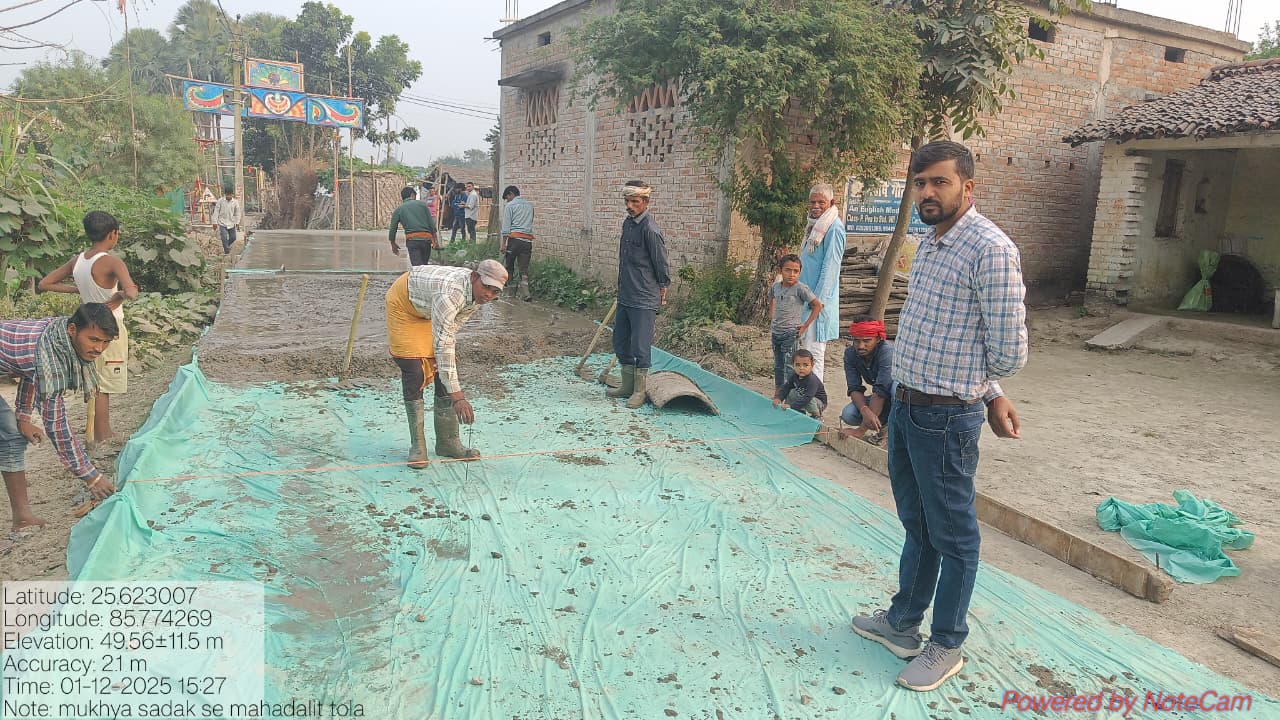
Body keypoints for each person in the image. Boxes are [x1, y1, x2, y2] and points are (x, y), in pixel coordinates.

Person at [851, 141, 1027, 692]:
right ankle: (902, 622)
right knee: (917, 523)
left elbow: (1009, 351)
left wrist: (980, 389)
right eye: (920, 182)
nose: (928, 192)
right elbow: (954, 331)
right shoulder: (928, 243)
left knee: (954, 536)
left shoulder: (990, 250)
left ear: (967, 188)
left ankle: (947, 642)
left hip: (947, 418)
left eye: (940, 182)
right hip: (907, 407)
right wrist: (992, 390)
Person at [2, 303, 120, 530]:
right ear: (72, 330)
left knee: (12, 434)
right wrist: (91, 476)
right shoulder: (50, 355)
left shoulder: (57, 336)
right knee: (9, 434)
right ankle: (22, 518)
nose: (99, 348)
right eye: (94, 340)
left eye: (106, 342)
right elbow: (56, 425)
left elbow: (29, 371)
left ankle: (22, 518)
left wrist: (23, 418)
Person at [384, 259, 509, 469]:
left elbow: (451, 328)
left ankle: (447, 442)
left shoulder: (477, 296)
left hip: (430, 308)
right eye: (486, 287)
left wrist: (441, 360)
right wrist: (458, 397)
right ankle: (418, 446)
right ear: (474, 277)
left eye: (495, 291)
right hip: (404, 305)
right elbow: (443, 342)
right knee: (415, 370)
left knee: (444, 368)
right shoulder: (450, 294)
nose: (489, 294)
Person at [37, 211, 139, 445]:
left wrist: (78, 290)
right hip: (108, 328)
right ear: (113, 234)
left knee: (93, 378)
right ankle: (103, 435)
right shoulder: (112, 262)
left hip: (84, 329)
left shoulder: (78, 261)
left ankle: (94, 432)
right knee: (103, 384)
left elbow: (45, 283)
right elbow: (132, 292)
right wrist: (121, 294)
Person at [606, 181, 670, 410]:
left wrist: (663, 286)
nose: (630, 206)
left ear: (645, 202)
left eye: (635, 201)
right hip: (626, 293)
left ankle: (639, 391)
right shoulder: (628, 224)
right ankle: (627, 385)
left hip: (644, 296)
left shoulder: (650, 229)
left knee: (640, 345)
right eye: (627, 201)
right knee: (620, 340)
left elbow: (660, 261)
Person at [797, 182, 846, 382]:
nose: (816, 206)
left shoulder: (834, 228)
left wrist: (817, 301)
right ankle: (804, 391)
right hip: (806, 298)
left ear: (831, 203)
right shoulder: (815, 226)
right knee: (804, 351)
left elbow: (830, 269)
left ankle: (814, 396)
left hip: (817, 302)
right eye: (812, 202)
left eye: (821, 202)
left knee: (814, 352)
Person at [768, 254, 822, 397]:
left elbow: (817, 306)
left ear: (799, 272)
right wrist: (772, 316)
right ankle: (778, 391)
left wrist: (805, 326)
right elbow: (771, 298)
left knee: (790, 366)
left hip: (791, 333)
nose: (791, 274)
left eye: (795, 271)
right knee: (778, 365)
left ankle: (790, 394)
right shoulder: (776, 287)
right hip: (776, 332)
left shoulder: (801, 289)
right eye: (787, 270)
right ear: (780, 270)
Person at [838, 316, 893, 444]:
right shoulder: (850, 354)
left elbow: (881, 390)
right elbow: (854, 387)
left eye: (867, 341)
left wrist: (860, 431)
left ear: (878, 339)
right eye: (857, 341)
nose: (861, 346)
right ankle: (883, 426)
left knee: (896, 388)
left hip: (900, 399)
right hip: (882, 397)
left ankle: (896, 431)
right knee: (848, 414)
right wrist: (864, 409)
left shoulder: (886, 352)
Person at [499, 185, 535, 301]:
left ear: (511, 194)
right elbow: (530, 221)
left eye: (507, 198)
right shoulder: (530, 206)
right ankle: (526, 293)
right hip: (527, 241)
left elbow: (506, 228)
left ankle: (509, 292)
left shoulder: (510, 206)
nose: (507, 201)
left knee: (509, 265)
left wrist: (503, 244)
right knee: (524, 269)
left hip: (514, 240)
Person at [388, 186, 438, 267]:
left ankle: (417, 274)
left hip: (412, 241)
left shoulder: (399, 210)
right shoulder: (423, 205)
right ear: (412, 195)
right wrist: (435, 240)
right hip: (426, 240)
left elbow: (393, 229)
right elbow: (431, 224)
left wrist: (393, 243)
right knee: (424, 266)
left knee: (417, 267)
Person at [772, 349, 827, 419]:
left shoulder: (812, 380)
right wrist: (779, 398)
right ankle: (794, 413)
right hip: (803, 397)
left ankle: (817, 416)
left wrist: (792, 406)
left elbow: (808, 397)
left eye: (805, 365)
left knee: (809, 399)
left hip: (818, 403)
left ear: (812, 365)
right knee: (791, 392)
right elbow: (786, 387)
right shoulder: (794, 376)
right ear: (793, 365)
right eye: (798, 365)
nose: (801, 368)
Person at [212, 187, 243, 255]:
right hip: (222, 223)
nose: (228, 196)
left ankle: (226, 246)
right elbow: (216, 212)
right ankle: (226, 251)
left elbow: (238, 213)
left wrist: (237, 222)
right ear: (225, 194)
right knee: (224, 237)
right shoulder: (220, 201)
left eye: (230, 195)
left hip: (231, 223)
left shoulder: (235, 202)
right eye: (227, 195)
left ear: (232, 194)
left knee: (233, 237)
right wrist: (214, 222)